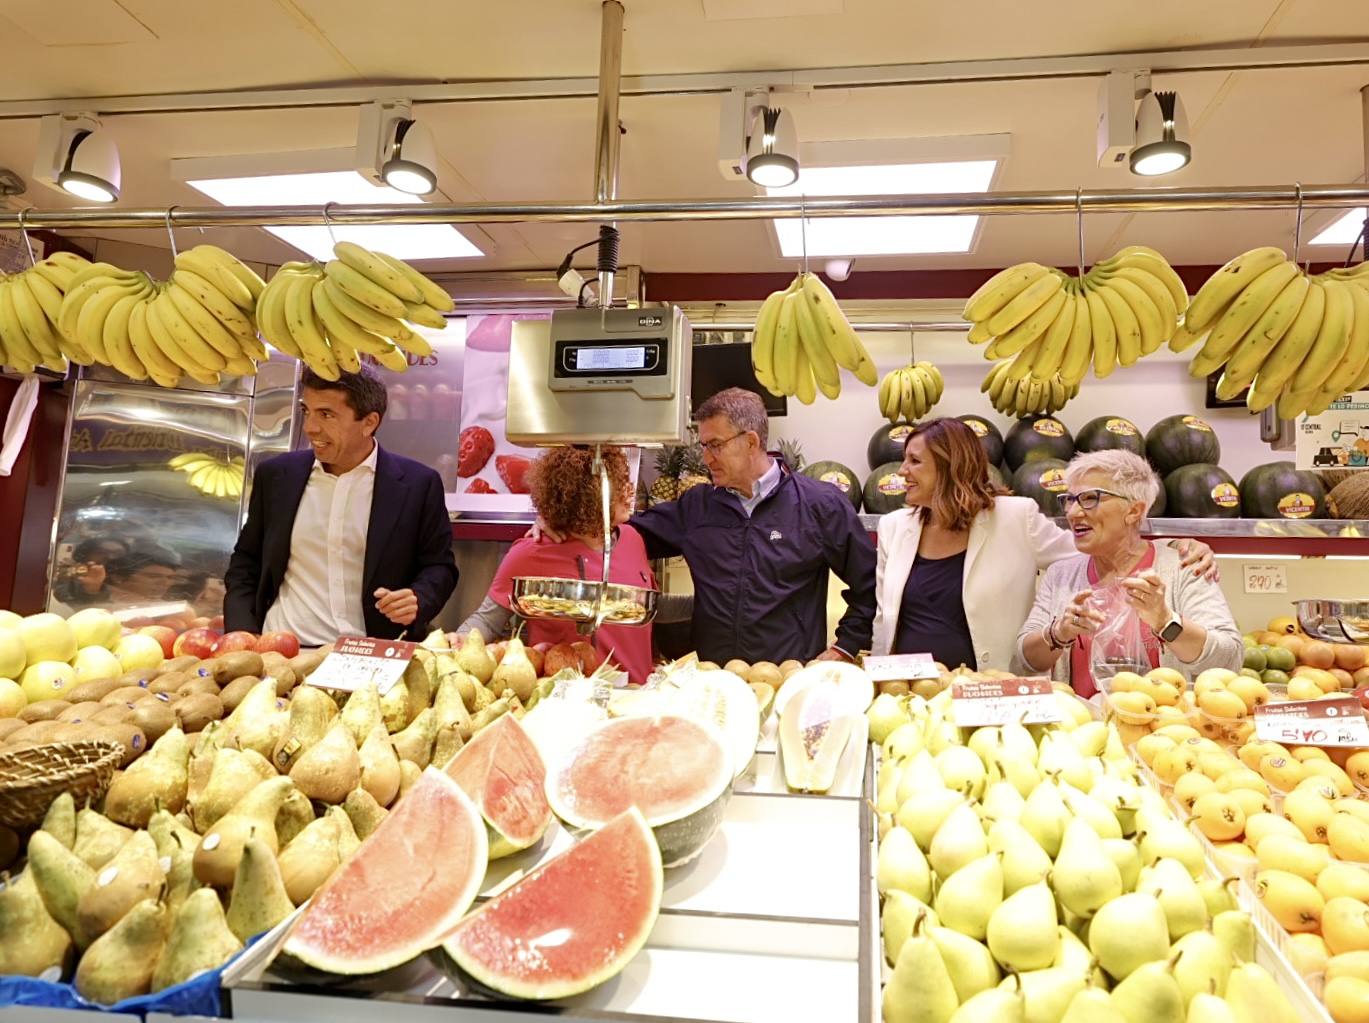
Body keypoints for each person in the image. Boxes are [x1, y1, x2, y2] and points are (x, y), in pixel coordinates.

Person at [872, 418, 1215, 672]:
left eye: (915, 461)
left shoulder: (1014, 517)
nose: (901, 471)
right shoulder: (893, 527)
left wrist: (1175, 546)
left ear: (951, 467)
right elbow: (882, 619)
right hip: (909, 689)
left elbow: (1098, 545)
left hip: (987, 691)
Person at [603, 387, 875, 665]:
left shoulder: (821, 505)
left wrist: (846, 646)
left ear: (751, 442)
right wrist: (578, 525)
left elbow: (869, 585)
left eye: (716, 445)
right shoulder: (697, 506)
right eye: (704, 446)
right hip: (715, 681)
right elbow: (628, 534)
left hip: (790, 678)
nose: (707, 458)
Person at [225, 365, 458, 644]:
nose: (310, 427)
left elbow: (439, 566)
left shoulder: (419, 485)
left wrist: (419, 598)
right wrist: (242, 631)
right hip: (285, 649)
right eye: (306, 411)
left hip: (372, 652)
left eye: (326, 414)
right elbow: (246, 561)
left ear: (369, 422)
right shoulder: (276, 476)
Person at [1015, 449, 1242, 697]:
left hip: (1164, 729)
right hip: (1083, 729)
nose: (1073, 512)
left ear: (1134, 511)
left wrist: (1166, 621)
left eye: (1090, 498)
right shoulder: (1061, 575)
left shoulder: (1185, 566)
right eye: (1070, 499)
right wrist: (1059, 632)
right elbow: (1026, 662)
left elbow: (1228, 661)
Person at [460, 446, 658, 682]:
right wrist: (456, 642)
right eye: (618, 485)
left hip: (639, 698)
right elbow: (486, 621)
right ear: (585, 497)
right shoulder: (531, 552)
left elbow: (643, 609)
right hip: (568, 703)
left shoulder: (633, 540)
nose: (631, 490)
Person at [106, 544, 182, 605]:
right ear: (118, 578)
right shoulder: (99, 602)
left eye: (170, 578)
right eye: (154, 576)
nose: (165, 583)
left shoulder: (167, 607)